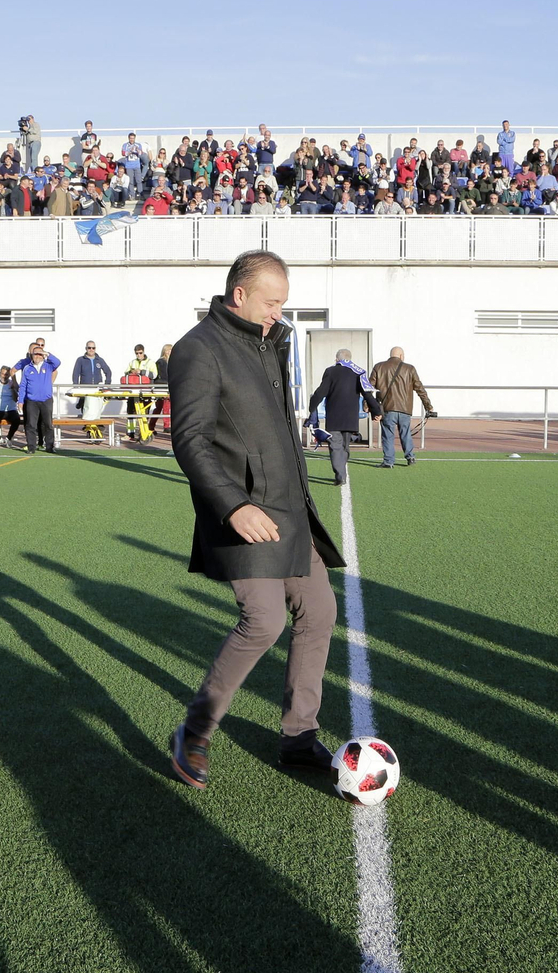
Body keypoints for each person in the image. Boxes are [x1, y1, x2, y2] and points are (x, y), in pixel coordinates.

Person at [166, 250, 347, 789]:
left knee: (319, 610)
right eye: (271, 303)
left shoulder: (270, 340)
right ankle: (195, 731)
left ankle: (299, 737)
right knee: (264, 620)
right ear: (239, 294)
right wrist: (234, 506)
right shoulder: (199, 349)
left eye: (283, 304)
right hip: (243, 514)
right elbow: (190, 440)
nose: (278, 313)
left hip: (289, 508)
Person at [308, 349, 383, 486]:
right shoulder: (358, 373)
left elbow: (320, 392)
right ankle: (341, 472)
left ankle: (340, 474)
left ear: (337, 359)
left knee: (335, 446)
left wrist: (312, 407)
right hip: (350, 418)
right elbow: (367, 394)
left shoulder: (330, 371)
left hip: (334, 416)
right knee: (344, 446)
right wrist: (376, 411)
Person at [368, 346, 436, 468]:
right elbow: (420, 389)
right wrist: (428, 406)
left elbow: (369, 388)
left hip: (387, 407)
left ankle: (388, 461)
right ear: (401, 356)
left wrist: (367, 406)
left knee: (387, 434)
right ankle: (410, 457)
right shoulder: (410, 369)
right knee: (405, 433)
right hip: (405, 408)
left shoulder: (379, 367)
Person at [17, 341, 62, 453]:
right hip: (32, 401)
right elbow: (23, 385)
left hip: (46, 400)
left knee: (48, 425)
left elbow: (58, 362)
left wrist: (47, 354)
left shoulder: (48, 366)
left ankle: (50, 447)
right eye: (35, 354)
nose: (37, 356)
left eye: (39, 354)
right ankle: (31, 447)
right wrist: (20, 401)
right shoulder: (27, 368)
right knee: (31, 425)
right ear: (31, 355)